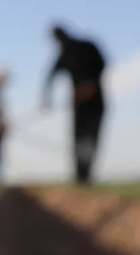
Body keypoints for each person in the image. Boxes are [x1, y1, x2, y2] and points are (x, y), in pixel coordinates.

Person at [41, 24, 108, 185]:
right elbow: (50, 77)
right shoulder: (64, 54)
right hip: (78, 104)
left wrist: (91, 84)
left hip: (96, 102)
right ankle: (79, 176)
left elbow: (102, 64)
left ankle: (87, 175)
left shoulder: (87, 46)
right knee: (78, 139)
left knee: (91, 138)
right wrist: (47, 98)